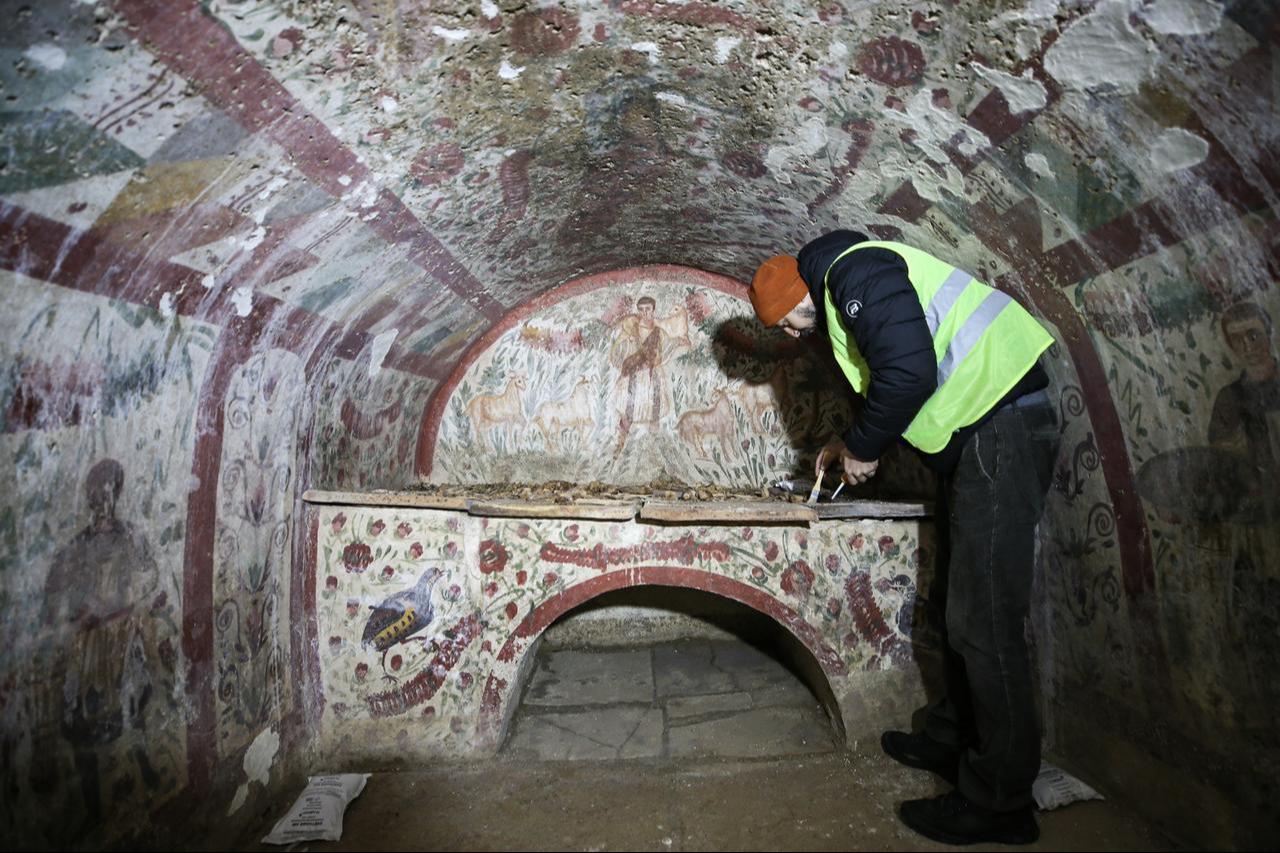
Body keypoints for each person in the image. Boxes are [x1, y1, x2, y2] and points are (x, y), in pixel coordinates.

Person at [749, 230, 1060, 845]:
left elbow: (909, 370)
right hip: (982, 432)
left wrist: (864, 448)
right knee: (956, 600)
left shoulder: (856, 272)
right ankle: (952, 739)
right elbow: (900, 373)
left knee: (986, 620)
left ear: (797, 293)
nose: (791, 336)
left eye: (786, 323)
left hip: (1002, 423)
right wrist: (847, 443)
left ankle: (1000, 803)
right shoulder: (846, 293)